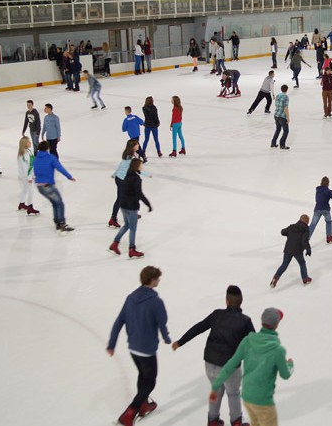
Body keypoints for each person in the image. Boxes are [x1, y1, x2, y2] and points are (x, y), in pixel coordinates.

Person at [172, 285, 256, 426]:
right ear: (240, 302)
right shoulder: (245, 321)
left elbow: (198, 328)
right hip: (230, 366)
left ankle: (212, 420)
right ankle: (236, 422)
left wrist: (180, 342)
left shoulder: (216, 314)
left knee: (215, 389)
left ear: (227, 301)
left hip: (210, 362)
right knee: (233, 393)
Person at [107, 266, 171, 426]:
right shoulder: (156, 302)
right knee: (150, 381)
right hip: (147, 349)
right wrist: (166, 338)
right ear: (152, 280)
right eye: (158, 278)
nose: (159, 280)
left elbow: (119, 321)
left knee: (143, 376)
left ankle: (143, 404)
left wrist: (112, 343)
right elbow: (162, 323)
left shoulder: (130, 298)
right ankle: (130, 412)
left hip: (133, 348)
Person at [209, 307, 294, 426]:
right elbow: (285, 375)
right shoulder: (278, 350)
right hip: (264, 401)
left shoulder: (247, 341)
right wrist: (290, 365)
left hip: (247, 397)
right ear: (276, 325)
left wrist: (215, 387)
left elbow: (231, 364)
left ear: (262, 322)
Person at [108, 158, 151, 259]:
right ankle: (132, 249)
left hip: (123, 205)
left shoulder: (126, 176)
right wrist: (148, 204)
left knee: (126, 225)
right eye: (141, 164)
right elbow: (139, 194)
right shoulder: (136, 179)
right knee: (132, 228)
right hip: (131, 207)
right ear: (137, 166)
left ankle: (115, 243)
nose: (142, 166)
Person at [33, 141, 76, 232]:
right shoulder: (50, 158)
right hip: (47, 185)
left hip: (39, 186)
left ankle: (57, 222)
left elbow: (35, 171)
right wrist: (69, 177)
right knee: (59, 203)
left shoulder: (36, 158)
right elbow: (59, 168)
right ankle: (61, 223)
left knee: (55, 203)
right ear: (47, 148)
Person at [270, 215, 313, 287]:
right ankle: (305, 279)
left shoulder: (292, 226)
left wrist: (290, 234)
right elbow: (304, 241)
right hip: (297, 251)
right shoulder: (305, 229)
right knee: (302, 263)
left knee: (284, 264)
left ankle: (275, 278)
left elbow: (283, 232)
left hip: (288, 249)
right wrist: (308, 249)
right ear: (307, 222)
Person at [309, 176, 332, 244]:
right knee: (328, 222)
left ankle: (305, 239)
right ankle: (329, 237)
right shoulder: (328, 191)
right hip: (326, 209)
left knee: (313, 224)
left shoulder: (317, 191)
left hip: (317, 209)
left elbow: (317, 200)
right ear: (328, 183)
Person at [16, 136, 39, 215]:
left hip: (28, 174)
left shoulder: (29, 151)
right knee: (30, 191)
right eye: (29, 142)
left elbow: (32, 163)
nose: (30, 143)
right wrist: (29, 177)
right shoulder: (24, 154)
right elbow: (25, 167)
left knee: (25, 189)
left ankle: (21, 204)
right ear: (25, 144)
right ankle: (30, 208)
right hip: (26, 176)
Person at [271, 85, 291, 150]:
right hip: (282, 117)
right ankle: (282, 144)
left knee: (278, 129)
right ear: (287, 90)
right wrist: (288, 117)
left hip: (276, 115)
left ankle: (273, 143)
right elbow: (285, 108)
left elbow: (276, 104)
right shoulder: (286, 97)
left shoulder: (278, 95)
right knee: (286, 131)